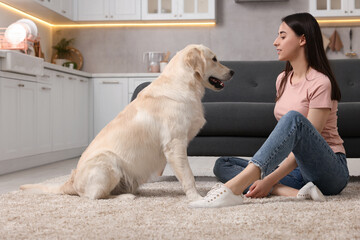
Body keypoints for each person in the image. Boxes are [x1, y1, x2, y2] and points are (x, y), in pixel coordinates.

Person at [189, 12, 349, 208]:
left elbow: (307, 138)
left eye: (282, 36)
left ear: (302, 39)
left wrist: (269, 179)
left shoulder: (320, 82)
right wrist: (270, 179)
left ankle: (232, 189)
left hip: (328, 170)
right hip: (297, 171)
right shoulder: (282, 79)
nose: (275, 42)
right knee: (223, 164)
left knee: (294, 119)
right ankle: (296, 193)